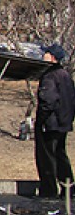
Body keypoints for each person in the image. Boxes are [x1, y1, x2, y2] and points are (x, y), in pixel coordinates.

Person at [35, 43, 75, 199]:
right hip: (63, 124)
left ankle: (49, 191)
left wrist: (41, 120)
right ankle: (68, 189)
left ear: (52, 57)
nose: (43, 55)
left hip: (50, 124)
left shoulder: (50, 75)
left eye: (46, 53)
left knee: (47, 158)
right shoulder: (65, 75)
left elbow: (49, 100)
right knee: (60, 155)